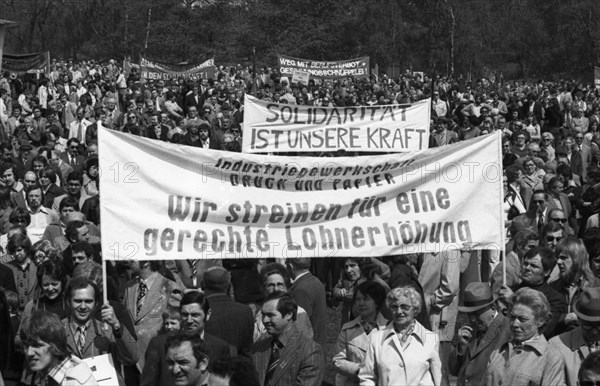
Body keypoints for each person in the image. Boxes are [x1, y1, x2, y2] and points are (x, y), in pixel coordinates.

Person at [141, 291, 231, 386]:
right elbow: (148, 382)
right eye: (184, 315)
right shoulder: (159, 344)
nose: (189, 320)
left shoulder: (220, 347)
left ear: (207, 314)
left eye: (195, 315)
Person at [358, 286, 441, 386]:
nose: (399, 312)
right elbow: (367, 377)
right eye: (394, 307)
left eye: (404, 307)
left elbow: (438, 379)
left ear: (415, 309)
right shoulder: (377, 339)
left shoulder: (430, 339)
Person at [485, 287, 566, 386]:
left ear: (540, 321)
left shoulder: (551, 357)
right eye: (512, 317)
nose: (515, 324)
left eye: (522, 319)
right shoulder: (498, 351)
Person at [252, 291, 325, 386]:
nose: (265, 320)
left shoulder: (310, 351)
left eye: (271, 315)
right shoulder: (259, 346)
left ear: (288, 314)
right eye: (263, 315)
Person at [448, 282, 511, 386]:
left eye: (477, 313)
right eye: (469, 314)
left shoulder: (508, 328)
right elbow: (453, 370)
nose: (472, 319)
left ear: (493, 308)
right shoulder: (469, 331)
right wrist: (461, 348)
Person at [123, 259, 181, 371]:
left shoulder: (169, 287)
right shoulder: (129, 286)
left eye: (133, 257)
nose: (129, 260)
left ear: (146, 262)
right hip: (131, 358)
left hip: (156, 359)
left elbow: (176, 324)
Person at [498, 246, 566, 338]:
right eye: (525, 263)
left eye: (533, 266)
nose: (527, 268)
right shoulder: (510, 290)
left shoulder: (554, 299)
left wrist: (513, 300)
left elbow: (546, 330)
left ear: (546, 272)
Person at [332, 281, 388, 386]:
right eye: (358, 299)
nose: (361, 303)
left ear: (377, 302)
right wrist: (361, 370)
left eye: (366, 299)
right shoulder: (348, 329)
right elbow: (338, 361)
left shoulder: (389, 330)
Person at [20, 310, 97, 385]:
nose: (29, 353)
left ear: (55, 344)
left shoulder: (76, 383)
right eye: (26, 345)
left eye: (37, 345)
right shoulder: (44, 375)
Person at [549, 287, 600, 386]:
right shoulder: (556, 346)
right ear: (579, 320)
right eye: (588, 325)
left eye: (599, 326)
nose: (594, 332)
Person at [202, 267, 254, 358]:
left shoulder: (198, 311)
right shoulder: (245, 311)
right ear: (229, 285)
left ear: (202, 284)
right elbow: (247, 352)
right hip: (236, 368)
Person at [255, 263, 313, 341]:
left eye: (280, 284)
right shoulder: (259, 314)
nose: (276, 289)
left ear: (286, 288)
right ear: (264, 289)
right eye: (270, 285)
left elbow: (306, 344)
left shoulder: (298, 313)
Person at [286, 258, 327, 346]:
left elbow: (299, 326)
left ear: (290, 266)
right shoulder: (316, 281)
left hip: (306, 350)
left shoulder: (300, 290)